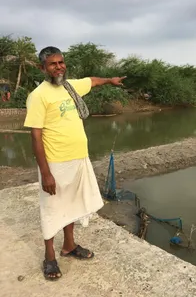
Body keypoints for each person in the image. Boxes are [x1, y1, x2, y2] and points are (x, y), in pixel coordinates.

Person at [24, 46, 126, 281]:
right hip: (56, 163)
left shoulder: (70, 86)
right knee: (51, 209)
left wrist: (110, 80)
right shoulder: (38, 96)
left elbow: (92, 81)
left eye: (61, 62)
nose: (59, 67)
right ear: (43, 68)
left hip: (79, 158)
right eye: (52, 64)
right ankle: (49, 257)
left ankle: (69, 246)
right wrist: (46, 173)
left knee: (72, 205)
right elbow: (36, 137)